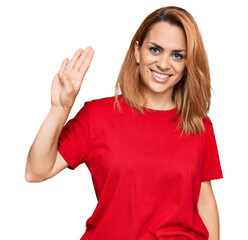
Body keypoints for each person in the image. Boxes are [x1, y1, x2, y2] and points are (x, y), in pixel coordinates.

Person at [25, 6, 224, 240]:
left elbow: (204, 200)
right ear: (137, 51)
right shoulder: (97, 115)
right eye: (155, 49)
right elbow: (36, 171)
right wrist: (60, 109)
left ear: (187, 64)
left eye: (177, 55)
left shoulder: (198, 124)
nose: (163, 63)